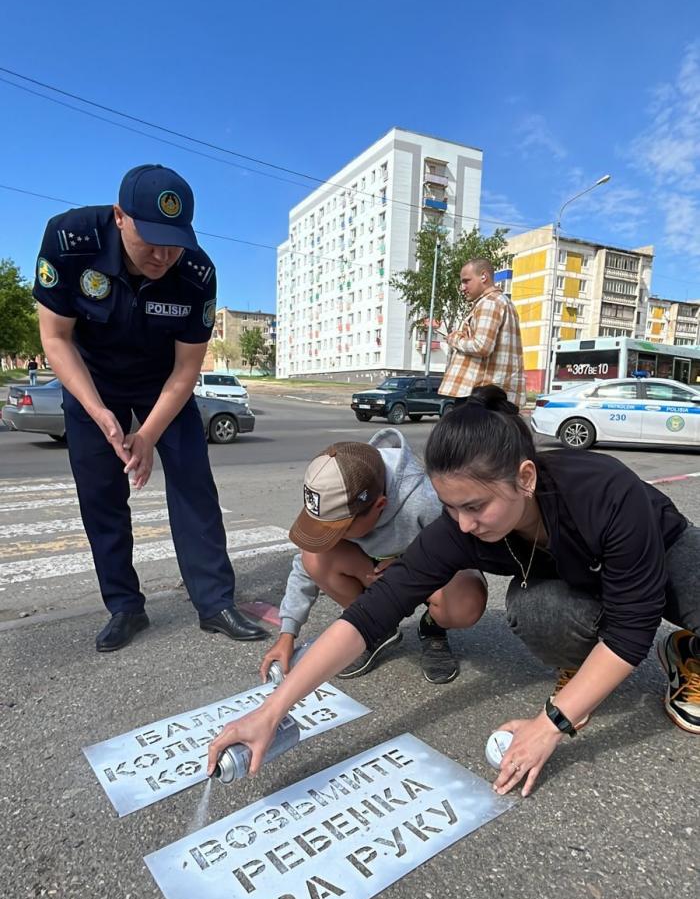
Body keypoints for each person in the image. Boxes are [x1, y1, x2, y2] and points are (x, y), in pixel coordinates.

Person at [208, 386, 700, 796]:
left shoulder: (603, 492)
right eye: (450, 507)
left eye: (476, 507)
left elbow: (634, 625)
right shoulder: (458, 525)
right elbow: (372, 613)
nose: (462, 525)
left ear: (525, 478)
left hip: (663, 548)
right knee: (535, 609)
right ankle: (585, 677)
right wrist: (273, 710)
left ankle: (686, 648)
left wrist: (547, 727)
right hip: (579, 581)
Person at [33, 163, 268, 653]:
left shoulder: (196, 272)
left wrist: (148, 436)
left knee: (193, 486)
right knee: (101, 495)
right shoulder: (70, 240)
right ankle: (124, 607)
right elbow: (55, 339)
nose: (163, 255)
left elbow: (186, 372)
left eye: (175, 241)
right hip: (91, 379)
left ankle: (214, 603)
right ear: (121, 217)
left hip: (163, 383)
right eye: (151, 240)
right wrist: (101, 414)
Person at [259, 429, 486, 685]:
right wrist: (287, 634)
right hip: (376, 568)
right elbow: (304, 566)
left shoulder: (425, 500)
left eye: (340, 530)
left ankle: (433, 627)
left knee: (467, 601)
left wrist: (410, 559)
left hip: (430, 571)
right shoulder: (334, 490)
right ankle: (376, 630)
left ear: (379, 506)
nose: (332, 538)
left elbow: (470, 549)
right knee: (313, 557)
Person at [439, 258, 525, 409]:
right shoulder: (504, 302)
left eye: (466, 281)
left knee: (464, 432)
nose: (462, 287)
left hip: (480, 396)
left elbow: (481, 346)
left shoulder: (489, 303)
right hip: (495, 396)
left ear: (484, 277)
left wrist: (455, 339)